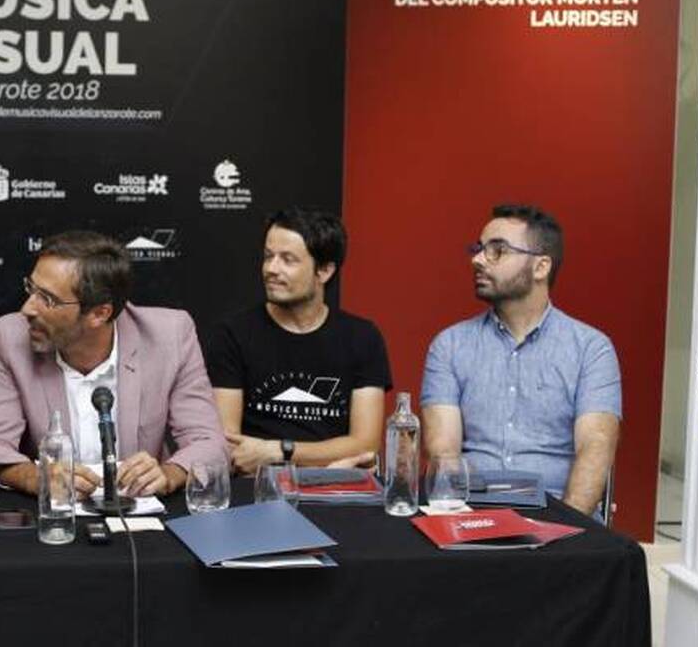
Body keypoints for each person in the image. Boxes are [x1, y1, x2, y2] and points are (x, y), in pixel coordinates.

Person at [0, 230, 227, 498]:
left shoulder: (170, 336)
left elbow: (209, 443)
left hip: (139, 510)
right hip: (54, 514)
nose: (27, 309)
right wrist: (36, 477)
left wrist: (169, 474)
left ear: (99, 313)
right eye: (31, 289)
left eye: (47, 299)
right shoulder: (10, 337)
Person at [421, 204, 621, 515]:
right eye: (479, 249)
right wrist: (467, 522)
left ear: (541, 267)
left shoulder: (591, 349)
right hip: (473, 511)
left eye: (497, 250)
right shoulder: (449, 345)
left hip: (560, 511)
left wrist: (566, 529)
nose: (477, 259)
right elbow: (444, 452)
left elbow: (595, 449)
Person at [205, 207, 392, 474]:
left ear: (324, 271)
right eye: (268, 256)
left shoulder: (362, 337)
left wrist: (280, 451)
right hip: (256, 488)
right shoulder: (232, 334)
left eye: (288, 260)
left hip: (334, 488)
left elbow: (365, 445)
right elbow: (230, 445)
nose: (271, 269)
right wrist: (324, 461)